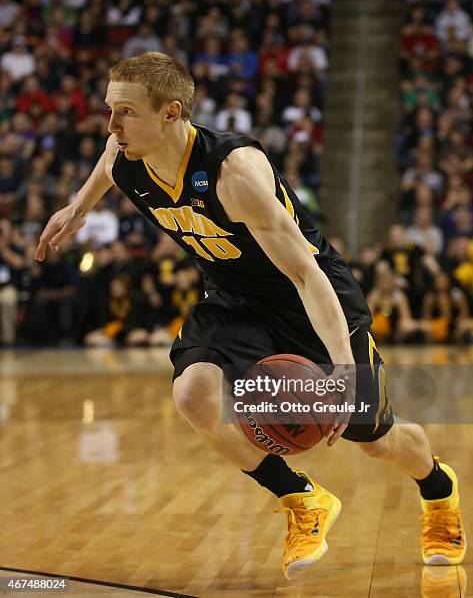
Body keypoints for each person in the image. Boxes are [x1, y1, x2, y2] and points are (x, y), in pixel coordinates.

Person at [35, 52, 466, 580]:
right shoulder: (127, 151)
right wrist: (76, 209)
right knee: (193, 394)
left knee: (373, 438)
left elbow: (308, 277)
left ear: (172, 113)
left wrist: (339, 371)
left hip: (308, 295)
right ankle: (301, 499)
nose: (111, 125)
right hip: (234, 297)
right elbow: (107, 161)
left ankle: (439, 488)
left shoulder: (234, 174)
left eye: (125, 112)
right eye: (110, 109)